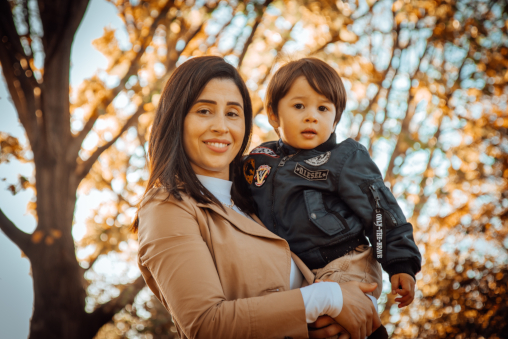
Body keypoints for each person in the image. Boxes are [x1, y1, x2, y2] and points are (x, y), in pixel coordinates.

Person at [133, 56, 381, 339]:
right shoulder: (166, 207)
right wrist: (328, 297)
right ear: (176, 119)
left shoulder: (256, 199)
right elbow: (204, 325)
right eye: (204, 111)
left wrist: (357, 300)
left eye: (233, 113)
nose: (221, 127)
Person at [242, 58, 422, 326]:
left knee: (335, 319)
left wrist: (400, 262)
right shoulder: (258, 159)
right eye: (299, 105)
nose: (311, 115)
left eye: (323, 108)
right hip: (298, 270)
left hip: (347, 261)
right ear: (273, 115)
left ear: (335, 119)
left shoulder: (343, 158)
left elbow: (380, 209)